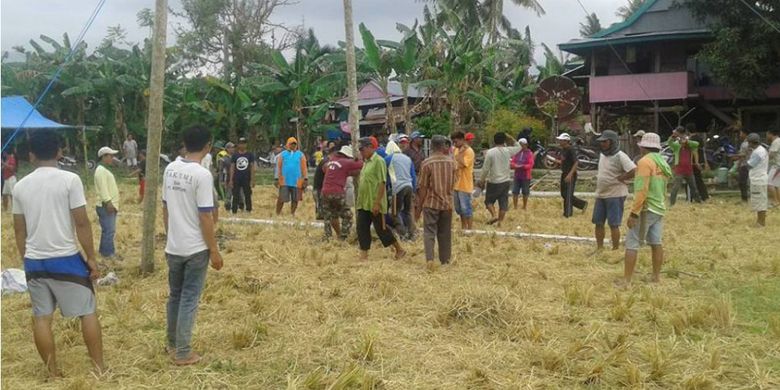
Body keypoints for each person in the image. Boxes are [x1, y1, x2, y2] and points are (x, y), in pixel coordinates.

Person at [12, 129, 104, 377]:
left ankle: (52, 373)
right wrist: (91, 258)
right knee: (87, 311)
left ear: (31, 156)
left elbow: (19, 230)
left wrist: (25, 258)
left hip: (34, 261)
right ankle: (98, 368)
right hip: (66, 259)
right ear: (59, 152)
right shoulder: (69, 180)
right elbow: (82, 223)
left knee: (42, 318)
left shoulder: (20, 186)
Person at [162, 126, 224, 365]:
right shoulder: (202, 175)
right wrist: (214, 250)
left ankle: (171, 343)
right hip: (196, 247)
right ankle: (183, 351)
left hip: (174, 246)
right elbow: (206, 216)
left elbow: (165, 208)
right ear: (208, 146)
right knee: (189, 298)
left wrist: (170, 236)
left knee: (175, 296)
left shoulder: (170, 169)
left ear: (184, 144)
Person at [622, 132, 672, 286]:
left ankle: (626, 281)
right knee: (656, 243)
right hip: (659, 208)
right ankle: (656, 277)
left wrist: (634, 213)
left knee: (632, 243)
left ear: (643, 147)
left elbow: (641, 190)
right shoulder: (663, 163)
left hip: (646, 208)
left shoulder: (644, 162)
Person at [356, 137, 406, 261]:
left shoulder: (379, 161)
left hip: (374, 202)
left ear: (370, 147)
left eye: (362, 149)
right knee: (361, 227)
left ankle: (399, 249)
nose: (361, 152)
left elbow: (382, 183)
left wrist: (377, 203)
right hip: (363, 202)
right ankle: (364, 254)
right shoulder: (366, 162)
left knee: (381, 229)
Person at [592, 130, 636, 251]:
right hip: (601, 193)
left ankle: (615, 249)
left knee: (613, 224)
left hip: (615, 194)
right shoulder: (602, 154)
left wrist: (622, 177)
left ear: (612, 142)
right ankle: (599, 248)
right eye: (601, 142)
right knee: (598, 222)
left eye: (605, 142)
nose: (603, 144)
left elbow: (633, 170)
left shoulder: (620, 155)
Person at [415, 135, 456, 264]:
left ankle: (430, 260)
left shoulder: (426, 163)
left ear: (431, 146)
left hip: (431, 203)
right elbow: (454, 183)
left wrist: (419, 207)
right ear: (444, 146)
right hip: (447, 203)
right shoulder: (452, 163)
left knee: (429, 233)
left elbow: (423, 187)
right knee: (445, 234)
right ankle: (445, 261)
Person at [321, 145, 363, 240]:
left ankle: (328, 236)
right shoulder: (346, 162)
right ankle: (343, 237)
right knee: (348, 215)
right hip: (337, 192)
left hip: (325, 192)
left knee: (329, 216)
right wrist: (359, 158)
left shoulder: (330, 161)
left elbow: (324, 168)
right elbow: (361, 164)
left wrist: (345, 173)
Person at [480, 132, 521, 226]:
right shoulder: (508, 151)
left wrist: (482, 180)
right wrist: (510, 137)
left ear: (494, 141)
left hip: (493, 181)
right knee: (503, 203)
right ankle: (500, 222)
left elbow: (485, 168)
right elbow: (519, 147)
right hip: (505, 181)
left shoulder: (490, 152)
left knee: (489, 201)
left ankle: (494, 215)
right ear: (504, 140)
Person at [385, 140, 417, 240]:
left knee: (395, 212)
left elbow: (384, 176)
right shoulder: (407, 158)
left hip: (397, 188)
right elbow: (413, 175)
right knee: (407, 211)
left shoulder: (388, 158)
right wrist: (414, 190)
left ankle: (403, 234)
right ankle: (412, 234)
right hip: (409, 186)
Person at [94, 146, 121, 260]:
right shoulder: (100, 171)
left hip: (108, 204)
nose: (112, 158)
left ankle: (105, 251)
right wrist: (108, 202)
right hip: (106, 205)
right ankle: (108, 254)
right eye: (110, 156)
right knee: (109, 231)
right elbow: (103, 189)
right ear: (104, 157)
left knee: (108, 230)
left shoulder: (103, 170)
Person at [557, 133, 588, 217]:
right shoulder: (563, 149)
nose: (559, 141)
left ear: (566, 141)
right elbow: (564, 161)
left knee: (568, 194)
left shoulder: (571, 149)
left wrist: (570, 174)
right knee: (563, 194)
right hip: (564, 173)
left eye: (561, 140)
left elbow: (576, 162)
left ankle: (568, 214)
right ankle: (582, 204)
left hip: (570, 174)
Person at [668, 127, 702, 205]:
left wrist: (686, 141)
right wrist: (672, 137)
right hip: (679, 169)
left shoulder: (689, 145)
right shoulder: (676, 145)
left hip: (689, 169)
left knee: (693, 187)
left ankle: (698, 201)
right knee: (675, 187)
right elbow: (669, 143)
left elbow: (696, 144)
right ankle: (672, 203)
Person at [276, 137, 308, 216]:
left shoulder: (300, 155)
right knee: (281, 198)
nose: (293, 146)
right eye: (291, 144)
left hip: (297, 181)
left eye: (294, 144)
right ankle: (277, 213)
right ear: (288, 144)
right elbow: (278, 167)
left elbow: (304, 167)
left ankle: (292, 213)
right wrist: (276, 178)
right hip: (284, 180)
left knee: (295, 199)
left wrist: (305, 178)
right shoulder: (283, 154)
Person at [452, 131, 475, 229]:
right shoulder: (456, 150)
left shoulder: (469, 151)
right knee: (459, 209)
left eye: (456, 142)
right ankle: (463, 226)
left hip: (465, 184)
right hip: (456, 184)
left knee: (466, 208)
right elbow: (454, 164)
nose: (454, 144)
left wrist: (460, 154)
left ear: (462, 140)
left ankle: (469, 228)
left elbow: (462, 164)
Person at [746, 133, 769, 227]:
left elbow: (750, 165)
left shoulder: (757, 152)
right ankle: (760, 222)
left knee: (760, 202)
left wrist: (747, 156)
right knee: (760, 201)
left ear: (751, 142)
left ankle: (761, 223)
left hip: (758, 179)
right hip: (760, 178)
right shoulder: (761, 150)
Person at [229, 137, 255, 214]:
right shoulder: (235, 155)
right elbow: (232, 167)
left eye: (244, 143)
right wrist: (231, 179)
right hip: (237, 177)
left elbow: (252, 167)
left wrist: (253, 179)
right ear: (238, 145)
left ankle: (248, 209)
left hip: (246, 177)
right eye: (240, 143)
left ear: (246, 145)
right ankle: (234, 210)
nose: (242, 145)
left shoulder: (250, 155)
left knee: (247, 194)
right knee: (235, 194)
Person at [510, 138, 535, 210]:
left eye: (522, 145)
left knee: (525, 192)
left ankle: (524, 206)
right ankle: (515, 207)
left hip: (526, 176)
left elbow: (531, 164)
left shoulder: (529, 153)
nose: (520, 146)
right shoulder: (517, 153)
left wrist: (523, 166)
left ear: (526, 145)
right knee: (515, 191)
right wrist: (514, 165)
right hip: (517, 175)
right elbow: (512, 162)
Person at [312, 145, 332, 220]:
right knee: (321, 212)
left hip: (320, 189)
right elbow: (327, 171)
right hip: (319, 189)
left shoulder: (325, 161)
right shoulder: (326, 162)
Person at [735, 129, 751, 202]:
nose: (740, 135)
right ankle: (745, 197)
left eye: (741, 133)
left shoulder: (745, 144)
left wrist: (738, 164)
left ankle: (744, 198)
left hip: (744, 164)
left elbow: (743, 155)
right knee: (746, 182)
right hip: (750, 164)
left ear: (745, 134)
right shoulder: (750, 143)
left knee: (742, 182)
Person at [767, 129, 780, 208]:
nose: (767, 136)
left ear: (771, 134)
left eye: (767, 134)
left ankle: (775, 202)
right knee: (776, 185)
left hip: (776, 166)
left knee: (769, 184)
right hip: (778, 166)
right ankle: (778, 203)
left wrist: (765, 155)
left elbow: (771, 155)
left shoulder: (775, 142)